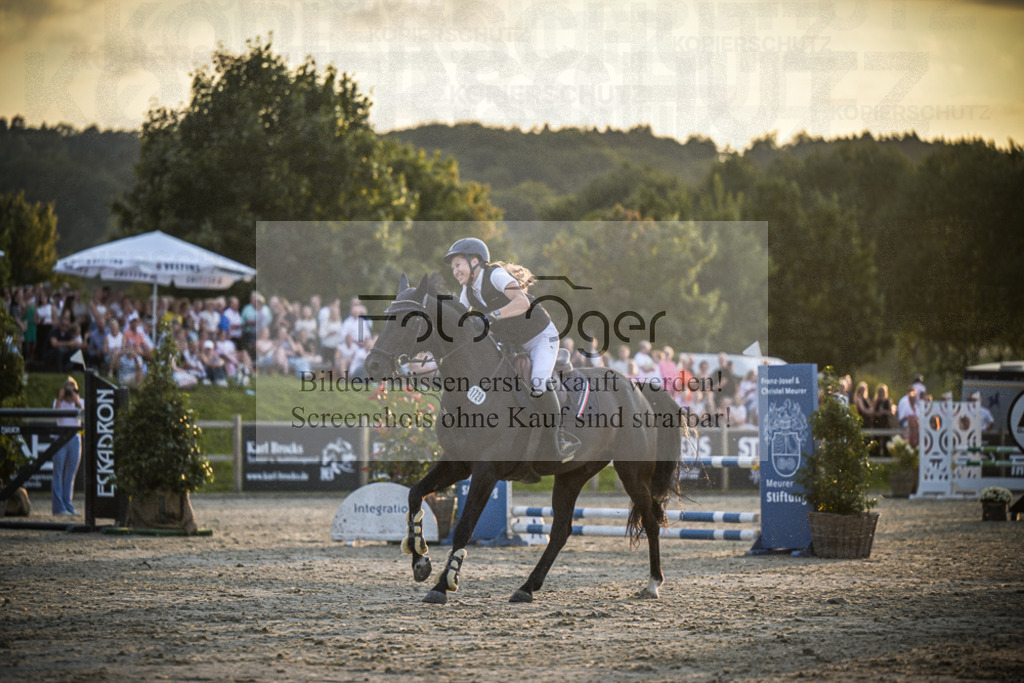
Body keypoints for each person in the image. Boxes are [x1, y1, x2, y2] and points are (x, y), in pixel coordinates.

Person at [444, 237, 578, 461]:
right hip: (513, 345)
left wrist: (490, 317)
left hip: (540, 338)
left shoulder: (495, 275)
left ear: (474, 260)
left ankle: (560, 437)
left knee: (537, 383)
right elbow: (461, 325)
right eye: (452, 268)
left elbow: (522, 303)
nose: (455, 271)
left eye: (458, 264)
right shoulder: (467, 292)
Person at [51, 377, 83, 516]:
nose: (70, 390)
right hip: (61, 436)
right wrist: (60, 398)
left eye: (73, 387)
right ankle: (58, 507)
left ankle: (68, 505)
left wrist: (76, 402)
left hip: (75, 438)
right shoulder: (58, 402)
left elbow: (84, 419)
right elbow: (56, 417)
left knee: (71, 474)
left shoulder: (80, 402)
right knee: (58, 472)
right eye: (68, 387)